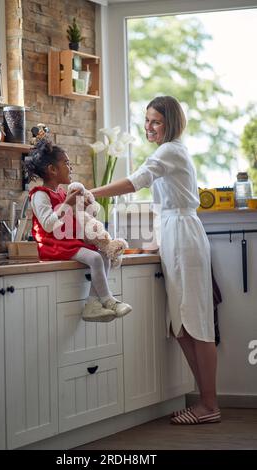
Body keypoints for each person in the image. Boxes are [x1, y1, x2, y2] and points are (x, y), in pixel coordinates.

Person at [91, 96, 220, 425]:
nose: (149, 127)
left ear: (171, 123)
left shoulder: (170, 151)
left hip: (184, 238)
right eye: (147, 120)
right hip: (176, 236)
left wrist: (91, 192)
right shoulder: (169, 152)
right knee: (181, 327)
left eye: (156, 121)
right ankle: (206, 403)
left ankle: (209, 405)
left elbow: (135, 182)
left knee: (197, 324)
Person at [25, 139, 132, 323]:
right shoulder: (39, 195)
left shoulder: (60, 193)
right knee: (96, 258)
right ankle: (109, 301)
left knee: (104, 256)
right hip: (52, 245)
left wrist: (84, 206)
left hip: (66, 242)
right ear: (52, 169)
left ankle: (92, 304)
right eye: (66, 163)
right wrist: (68, 203)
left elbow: (73, 217)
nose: (70, 167)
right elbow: (48, 225)